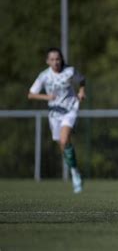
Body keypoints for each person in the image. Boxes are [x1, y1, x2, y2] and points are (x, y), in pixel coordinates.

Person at [28, 47, 85, 193]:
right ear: (47, 61)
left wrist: (81, 91)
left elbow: (81, 80)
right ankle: (75, 170)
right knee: (63, 146)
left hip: (70, 109)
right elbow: (31, 94)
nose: (55, 62)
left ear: (61, 60)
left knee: (65, 139)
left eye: (57, 59)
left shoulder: (69, 71)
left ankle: (74, 175)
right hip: (54, 113)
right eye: (52, 59)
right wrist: (46, 97)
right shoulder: (44, 76)